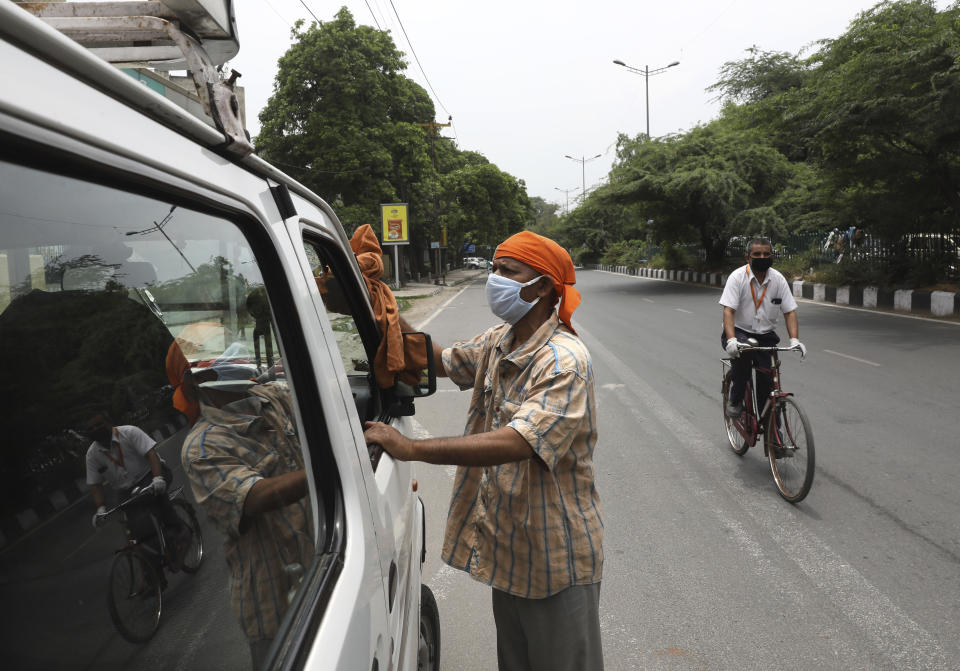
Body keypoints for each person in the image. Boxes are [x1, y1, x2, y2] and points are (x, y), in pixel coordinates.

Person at [363, 231, 604, 671]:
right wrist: (382, 309)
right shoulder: (501, 340)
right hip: (511, 551)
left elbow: (518, 442)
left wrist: (412, 447)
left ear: (545, 287)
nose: (495, 279)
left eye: (508, 272)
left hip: (554, 561)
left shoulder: (563, 361)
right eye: (494, 269)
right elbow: (439, 359)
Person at [177, 358, 313, 669]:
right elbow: (255, 496)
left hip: (321, 565)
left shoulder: (272, 398)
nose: (234, 359)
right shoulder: (202, 447)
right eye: (219, 358)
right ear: (197, 380)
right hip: (275, 606)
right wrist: (328, 465)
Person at [720, 237, 806, 418]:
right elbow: (728, 311)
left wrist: (795, 340)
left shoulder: (778, 279)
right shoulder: (737, 277)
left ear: (772, 256)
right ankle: (735, 400)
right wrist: (732, 340)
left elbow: (789, 312)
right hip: (739, 332)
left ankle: (773, 436)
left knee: (768, 384)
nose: (762, 257)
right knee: (743, 364)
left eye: (766, 254)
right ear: (747, 257)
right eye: (757, 254)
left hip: (765, 335)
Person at [84, 411, 171, 532]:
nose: (96, 429)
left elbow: (151, 455)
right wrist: (100, 509)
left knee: (160, 505)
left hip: (151, 474)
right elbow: (96, 485)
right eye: (91, 428)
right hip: (125, 490)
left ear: (109, 423)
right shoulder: (92, 455)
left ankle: (178, 529)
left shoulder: (129, 432)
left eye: (99, 425)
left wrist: (157, 479)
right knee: (135, 526)